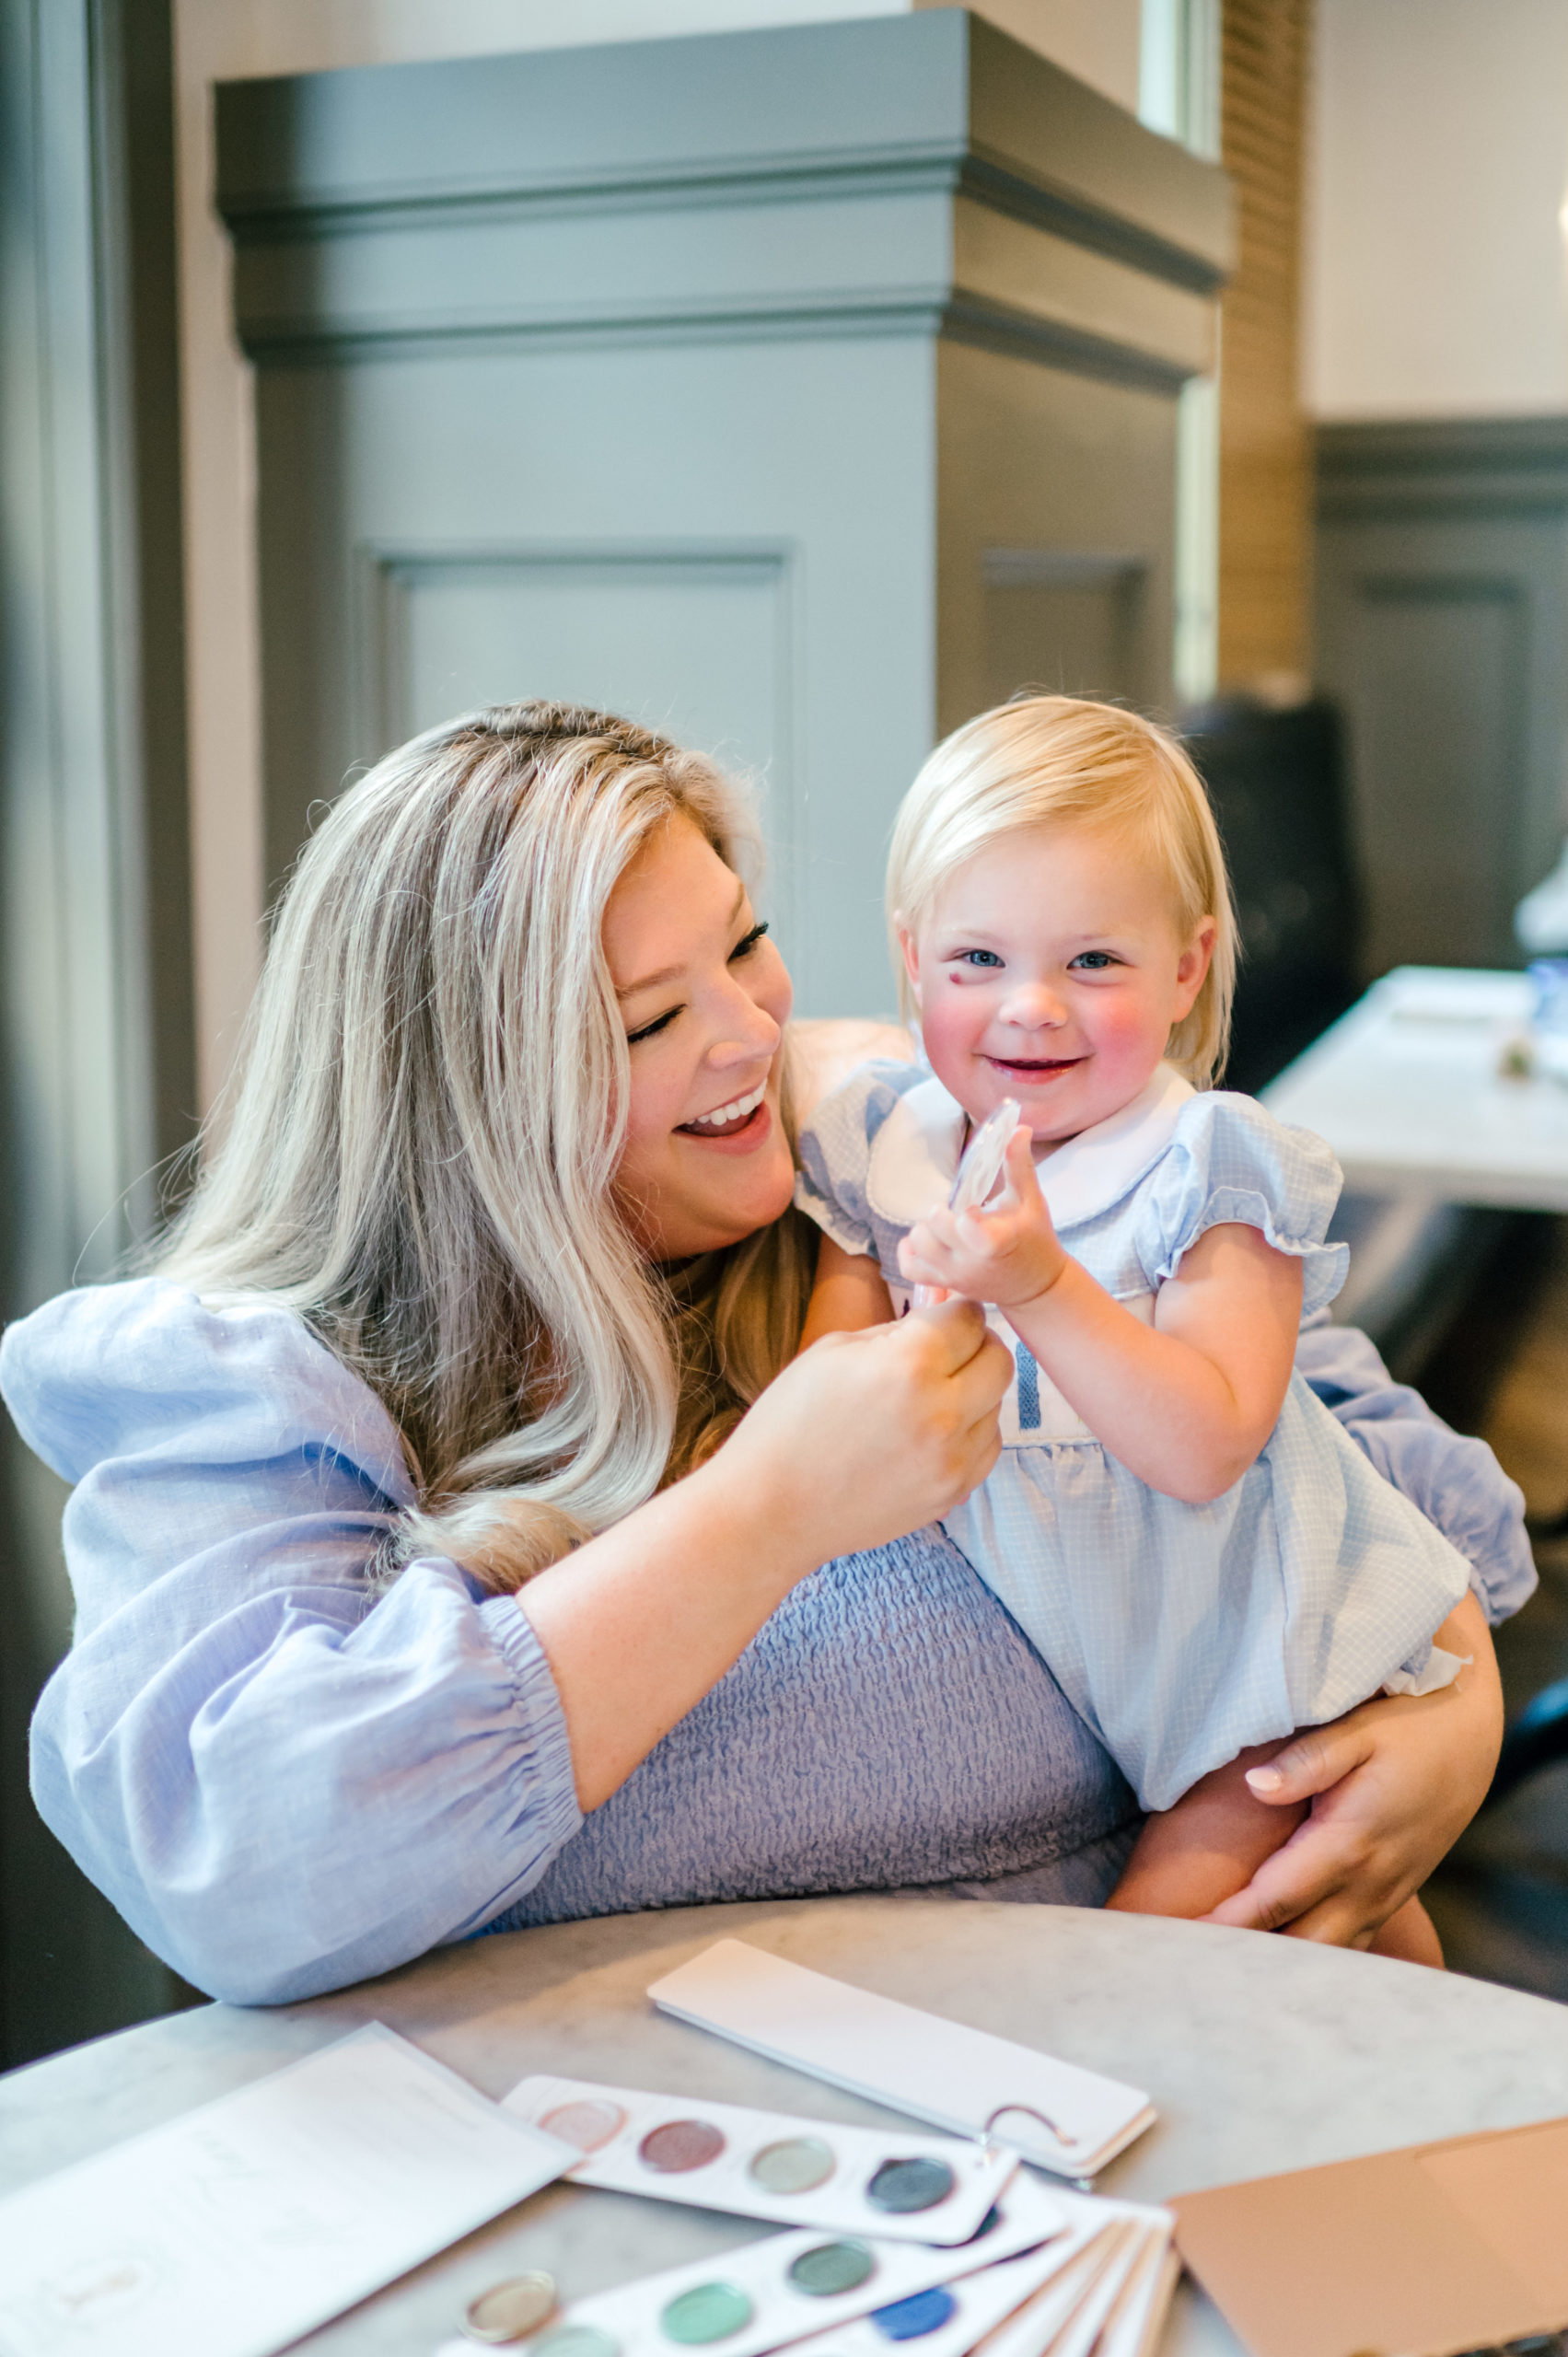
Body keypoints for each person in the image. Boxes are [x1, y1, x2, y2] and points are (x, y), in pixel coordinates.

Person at [0, 704, 1526, 2008]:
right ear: (473, 1102)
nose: (751, 1037)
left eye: (747, 943)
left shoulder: (886, 1161)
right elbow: (234, 1864)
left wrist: (1446, 1705)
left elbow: (1348, 1455)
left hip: (1113, 2115)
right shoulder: (268, 1396)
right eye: (654, 1017)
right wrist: (764, 1512)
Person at [796, 696, 1502, 1966]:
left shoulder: (1209, 1171)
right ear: (911, 960)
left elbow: (1208, 1441)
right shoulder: (885, 1149)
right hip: (1099, 1677)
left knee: (1150, 1970)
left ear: (1187, 965)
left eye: (1094, 962)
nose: (1032, 1010)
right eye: (977, 961)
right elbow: (826, 1406)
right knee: (1359, 1945)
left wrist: (1038, 1284)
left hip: (1263, 1664)